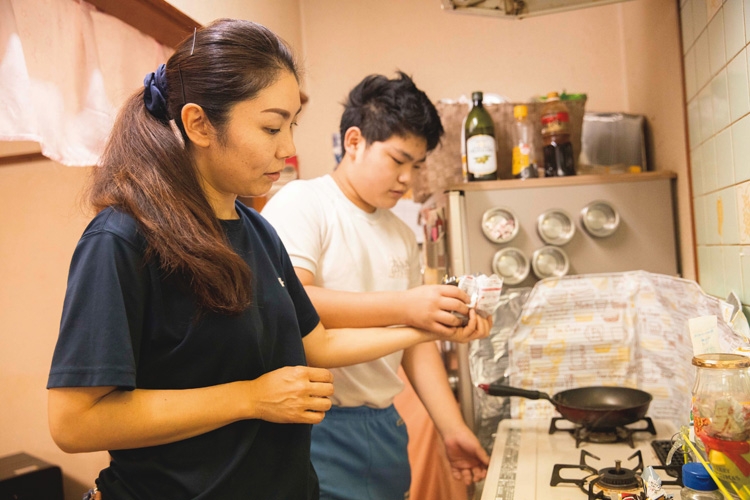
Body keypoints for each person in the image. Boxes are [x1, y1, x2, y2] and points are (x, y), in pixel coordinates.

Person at [46, 21, 488, 500]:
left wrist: (429, 328)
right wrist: (250, 398)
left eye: (291, 126)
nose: (289, 148)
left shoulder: (256, 231)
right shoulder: (124, 238)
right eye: (272, 127)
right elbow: (75, 423)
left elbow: (316, 343)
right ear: (198, 124)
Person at [261, 71, 491, 500]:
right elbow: (294, 302)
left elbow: (414, 346)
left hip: (385, 425)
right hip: (316, 425)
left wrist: (453, 428)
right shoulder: (303, 203)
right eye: (398, 160)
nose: (407, 178)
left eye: (417, 166)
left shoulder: (401, 233)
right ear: (354, 141)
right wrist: (408, 306)